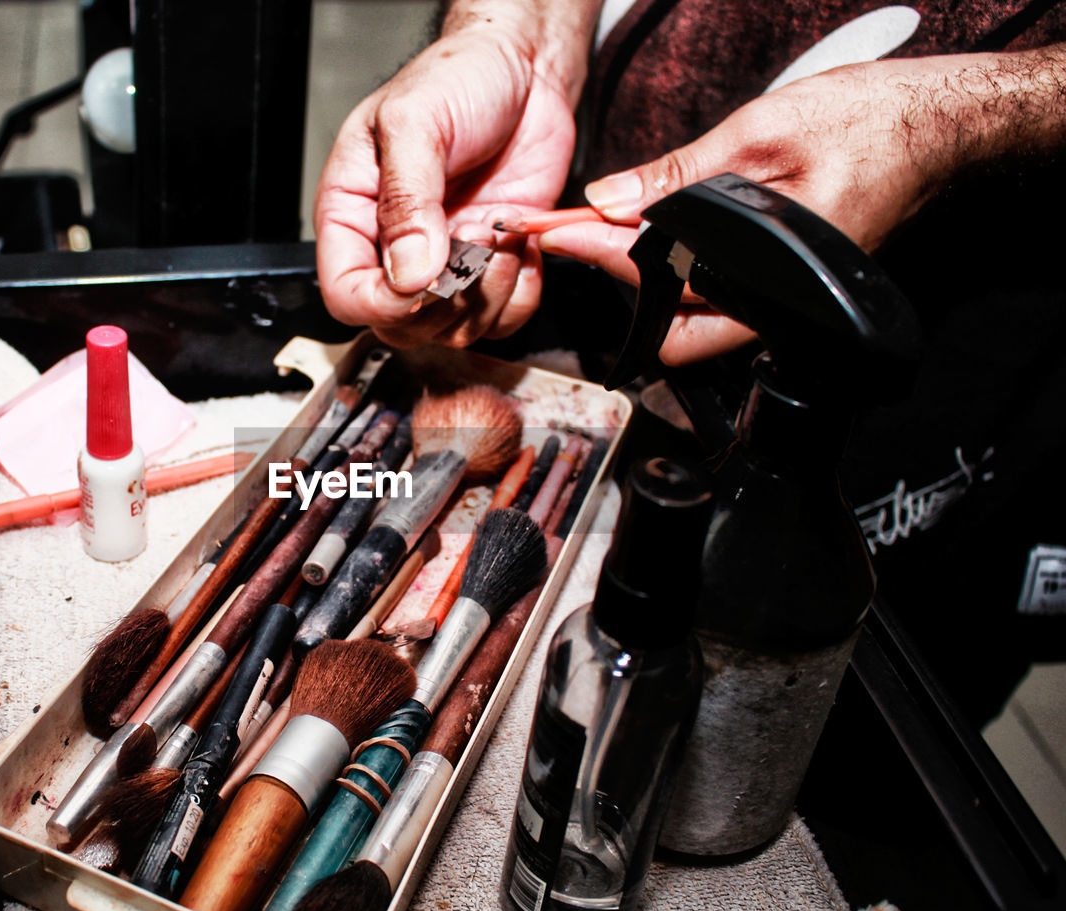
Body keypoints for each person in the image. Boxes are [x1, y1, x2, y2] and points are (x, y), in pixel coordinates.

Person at [313, 1, 1066, 726]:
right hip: (625, 307)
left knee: (843, 709)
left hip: (963, 323)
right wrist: (513, 34)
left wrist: (963, 119)